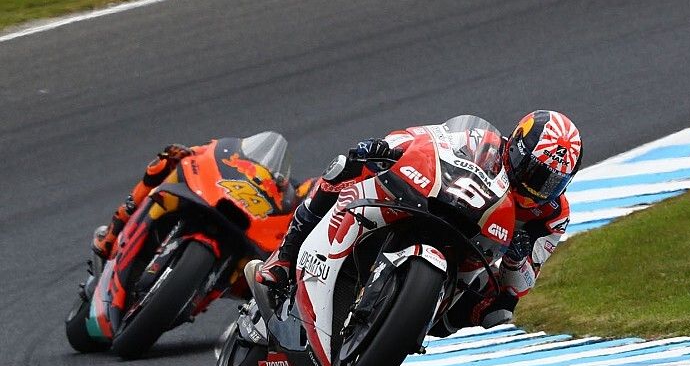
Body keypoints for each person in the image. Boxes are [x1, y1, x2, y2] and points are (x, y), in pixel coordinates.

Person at [255, 111, 583, 334]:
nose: (536, 187)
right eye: (534, 172)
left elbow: (522, 283)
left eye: (550, 182)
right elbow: (428, 138)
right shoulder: (482, 141)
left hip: (474, 255)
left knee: (500, 310)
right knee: (345, 167)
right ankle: (284, 255)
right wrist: (386, 147)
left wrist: (516, 259)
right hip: (436, 204)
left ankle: (408, 321)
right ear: (516, 148)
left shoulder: (553, 214)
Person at [90, 141, 316, 264]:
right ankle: (111, 234)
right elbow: (216, 152)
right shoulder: (258, 170)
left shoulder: (302, 193)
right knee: (167, 161)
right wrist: (194, 153)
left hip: (256, 242)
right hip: (222, 202)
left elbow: (309, 200)